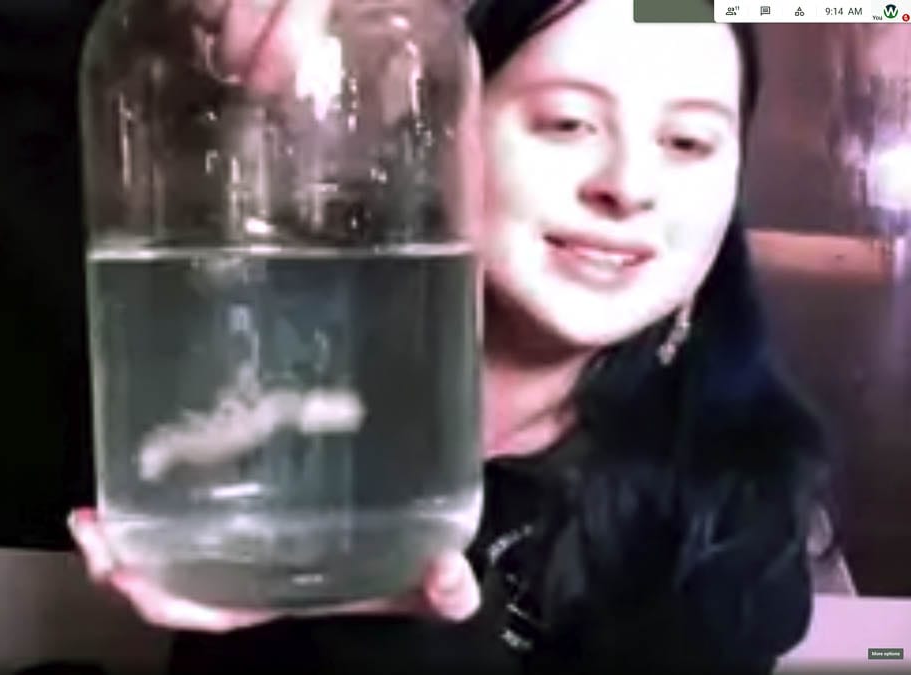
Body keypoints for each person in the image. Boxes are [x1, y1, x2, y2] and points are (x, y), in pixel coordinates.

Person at [68, 0, 838, 672]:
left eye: (689, 142)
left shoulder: (738, 517)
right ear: (439, 135)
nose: (629, 186)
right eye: (567, 122)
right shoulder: (280, 378)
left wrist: (416, 634)